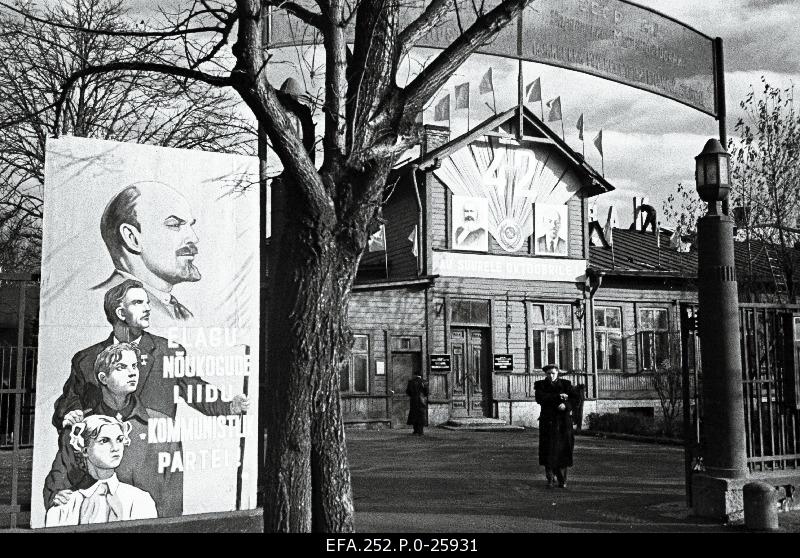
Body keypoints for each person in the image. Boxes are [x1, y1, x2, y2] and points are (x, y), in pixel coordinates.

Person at [52, 279, 248, 431]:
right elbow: (70, 399)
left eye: (147, 302)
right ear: (121, 313)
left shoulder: (168, 352)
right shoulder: (86, 359)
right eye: (138, 303)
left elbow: (195, 390)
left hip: (152, 463)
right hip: (102, 465)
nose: (147, 308)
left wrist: (229, 407)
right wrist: (71, 413)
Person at [44, 343, 183, 518]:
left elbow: (173, 496)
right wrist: (56, 497)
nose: (132, 372)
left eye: (134, 366)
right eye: (121, 367)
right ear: (103, 378)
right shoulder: (83, 426)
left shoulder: (163, 424)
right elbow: (58, 482)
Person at [92, 181, 200, 322]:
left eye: (190, 225)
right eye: (174, 225)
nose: (194, 238)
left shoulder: (180, 312)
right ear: (132, 238)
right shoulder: (106, 304)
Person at [44, 415, 158, 526]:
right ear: (84, 449)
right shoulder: (63, 507)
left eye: (119, 440)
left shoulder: (140, 500)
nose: (115, 448)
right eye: (104, 440)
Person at [534, 364, 579, 488]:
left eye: (553, 373)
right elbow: (540, 398)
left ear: (558, 373)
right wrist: (558, 397)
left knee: (563, 450)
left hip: (563, 423)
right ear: (545, 374)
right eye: (548, 373)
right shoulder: (540, 385)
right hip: (548, 422)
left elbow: (576, 399)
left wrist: (566, 406)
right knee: (548, 450)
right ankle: (550, 478)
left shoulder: (566, 384)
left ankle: (562, 479)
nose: (551, 375)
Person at [405, 371, 429, 436]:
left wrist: (413, 395)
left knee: (414, 415)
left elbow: (408, 392)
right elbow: (426, 392)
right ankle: (421, 431)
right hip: (422, 401)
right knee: (421, 415)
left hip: (413, 401)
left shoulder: (411, 382)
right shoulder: (424, 381)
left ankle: (415, 430)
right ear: (421, 375)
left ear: (415, 375)